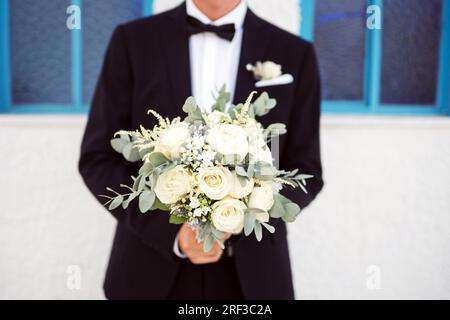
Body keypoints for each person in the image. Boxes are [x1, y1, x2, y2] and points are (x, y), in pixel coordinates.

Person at [78, 0, 323, 299]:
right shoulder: (132, 42)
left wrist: (244, 214)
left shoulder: (294, 52)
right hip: (149, 268)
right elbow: (97, 158)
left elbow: (307, 171)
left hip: (253, 277)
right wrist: (171, 233)